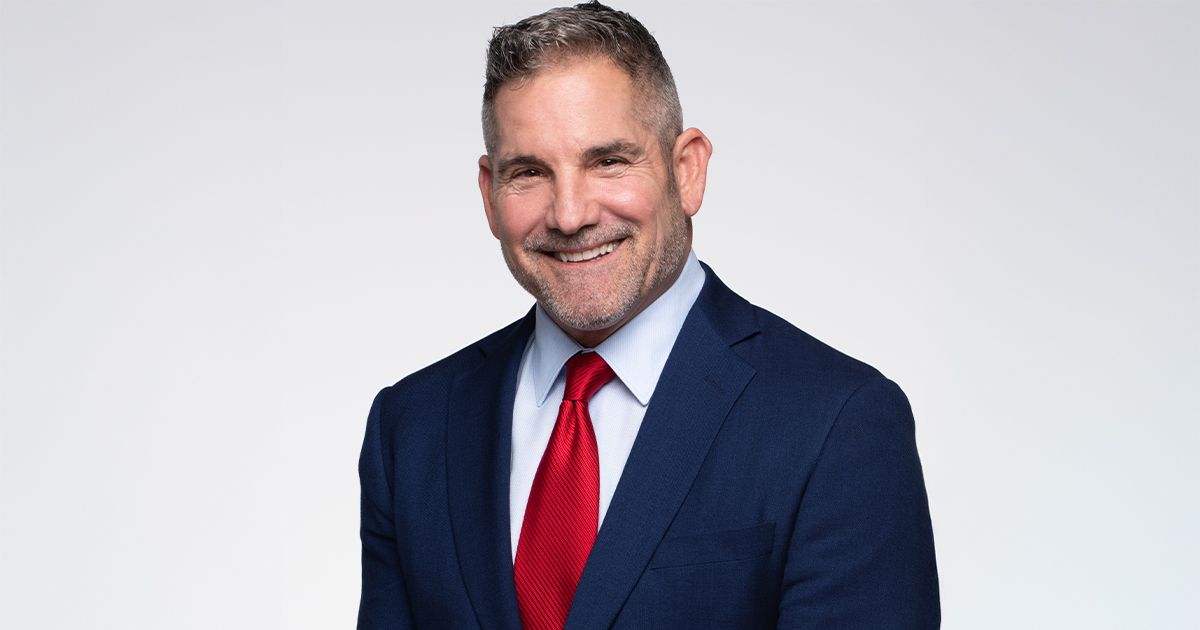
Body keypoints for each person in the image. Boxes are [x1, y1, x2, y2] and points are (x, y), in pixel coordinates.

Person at [357, 2, 940, 628]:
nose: (570, 214)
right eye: (529, 172)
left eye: (608, 161)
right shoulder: (412, 426)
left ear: (687, 171)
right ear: (489, 193)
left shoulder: (836, 421)